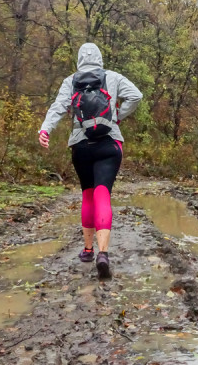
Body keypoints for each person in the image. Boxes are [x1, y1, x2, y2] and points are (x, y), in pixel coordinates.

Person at [38, 42, 142, 279]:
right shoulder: (113, 77)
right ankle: (103, 254)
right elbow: (136, 96)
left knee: (88, 194)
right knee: (102, 193)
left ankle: (87, 250)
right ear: (100, 58)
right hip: (110, 142)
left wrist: (45, 130)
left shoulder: (71, 80)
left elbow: (58, 107)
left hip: (81, 144)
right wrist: (117, 117)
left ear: (78, 60)